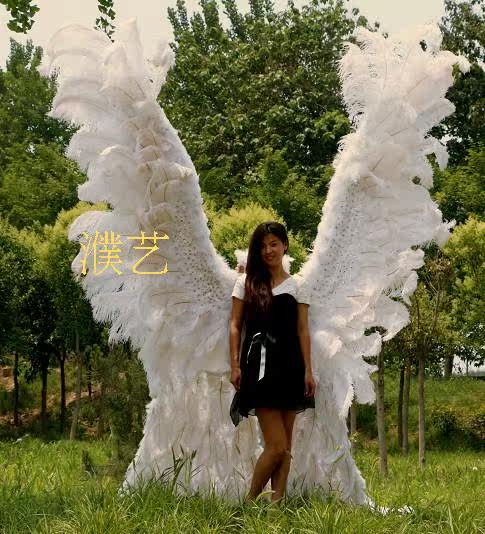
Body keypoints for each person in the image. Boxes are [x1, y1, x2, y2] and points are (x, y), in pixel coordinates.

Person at [229, 221, 316, 505]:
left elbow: (303, 330)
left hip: (291, 367)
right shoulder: (246, 282)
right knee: (276, 445)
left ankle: (275, 510)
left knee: (285, 447)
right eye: (263, 246)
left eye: (274, 244)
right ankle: (248, 503)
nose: (268, 250)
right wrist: (235, 365)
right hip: (259, 367)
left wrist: (308, 370)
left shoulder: (298, 285)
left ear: (285, 245)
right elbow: (235, 325)